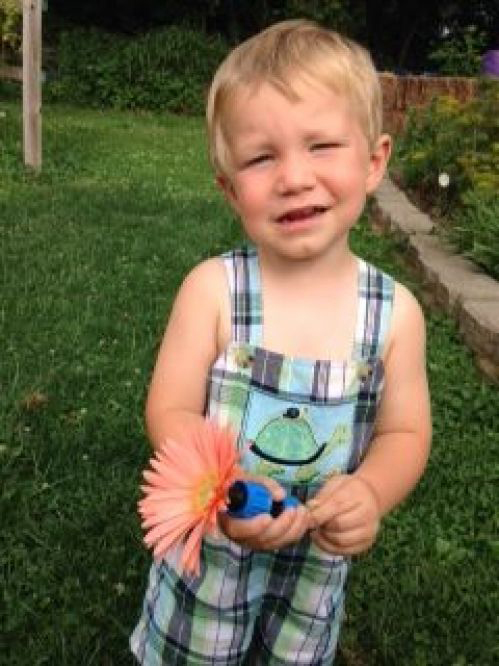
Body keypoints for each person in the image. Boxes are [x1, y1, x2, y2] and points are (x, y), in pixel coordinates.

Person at [131, 19, 431, 665]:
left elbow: (404, 432)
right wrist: (224, 487)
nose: (293, 176)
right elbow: (169, 409)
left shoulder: (394, 315)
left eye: (321, 145)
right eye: (261, 157)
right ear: (229, 188)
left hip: (315, 562)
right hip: (213, 553)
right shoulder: (212, 291)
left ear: (374, 161)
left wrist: (371, 492)